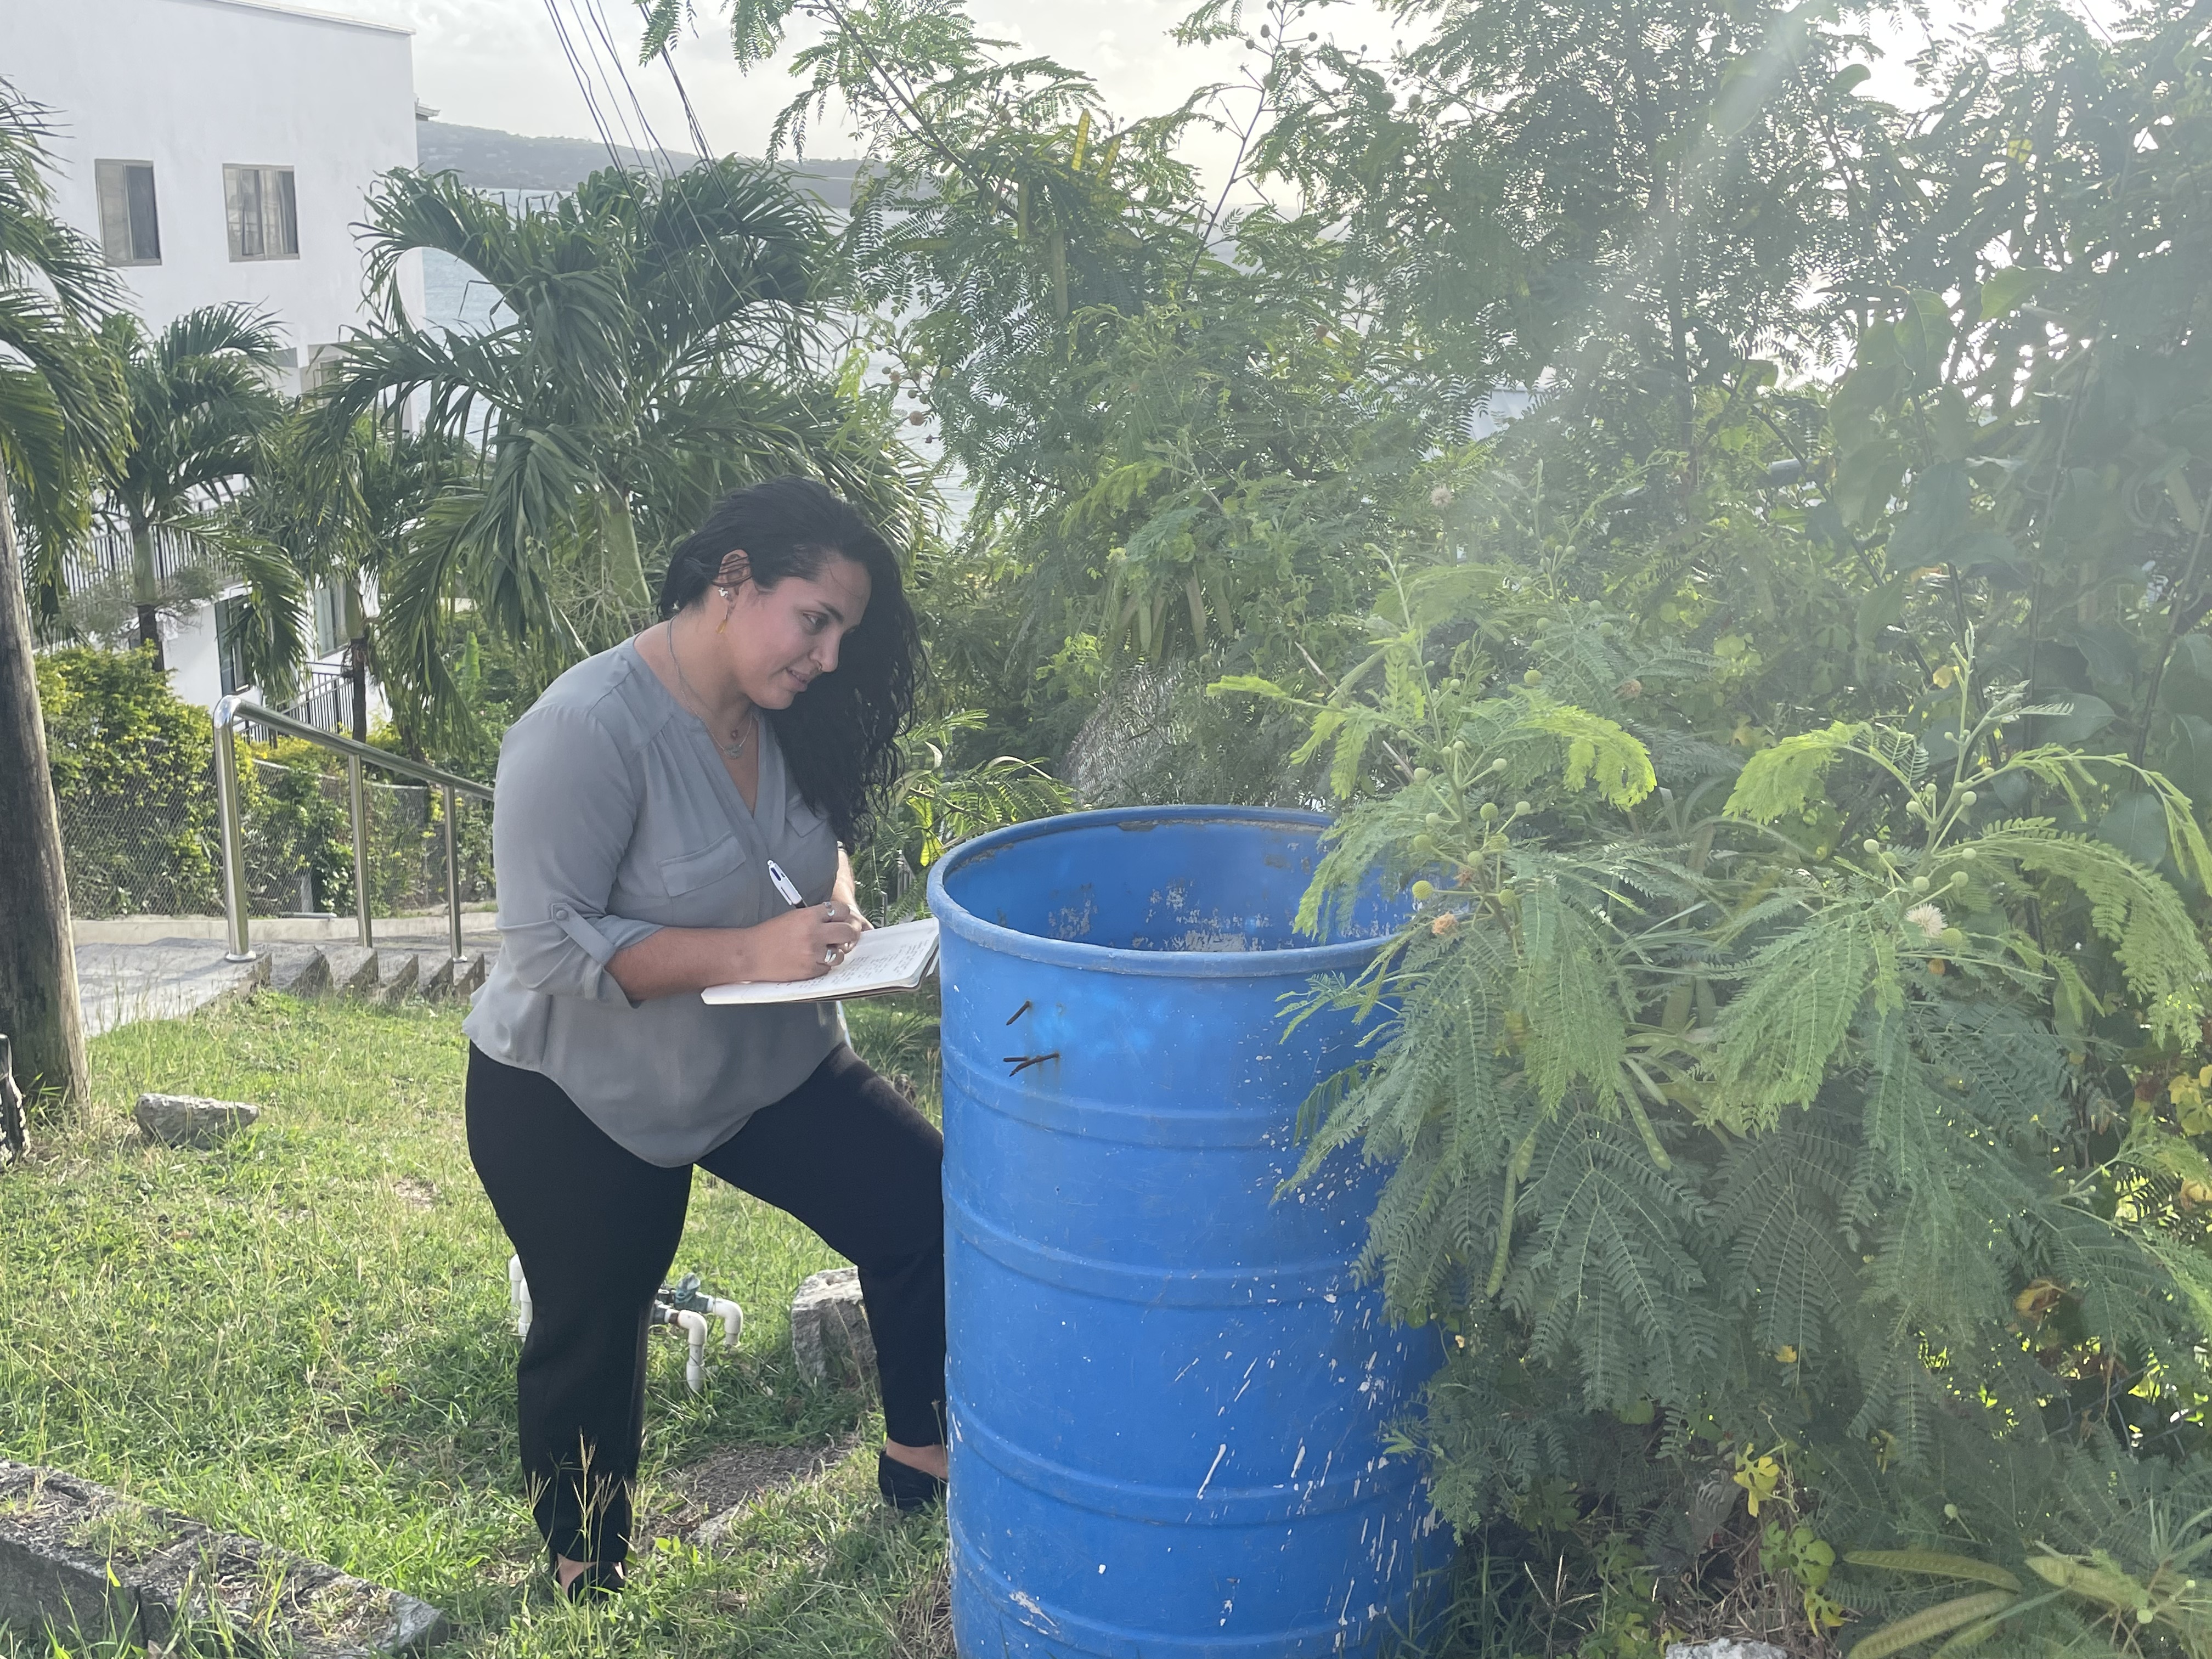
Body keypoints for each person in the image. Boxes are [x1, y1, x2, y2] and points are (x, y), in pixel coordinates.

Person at [461, 476, 945, 1601]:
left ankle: (922, 1460)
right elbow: (548, 945)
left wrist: (836, 905)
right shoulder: (583, 730)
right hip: (577, 1088)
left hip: (765, 1063)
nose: (829, 656)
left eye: (845, 632)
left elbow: (812, 843)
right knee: (596, 1323)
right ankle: (585, 1570)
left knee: (922, 1201)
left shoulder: (789, 712)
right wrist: (750, 953)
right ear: (734, 580)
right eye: (814, 620)